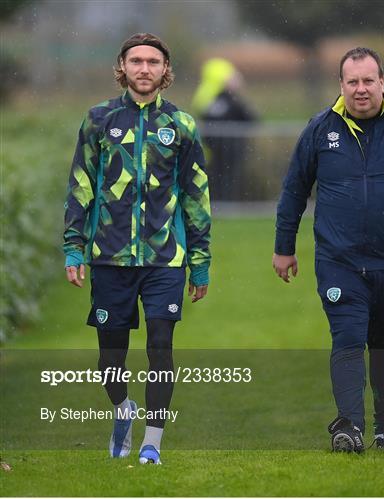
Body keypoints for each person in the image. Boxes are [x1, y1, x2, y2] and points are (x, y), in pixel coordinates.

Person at [272, 47, 384, 452]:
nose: (360, 89)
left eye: (368, 80)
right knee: (348, 339)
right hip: (340, 263)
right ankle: (349, 428)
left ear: (382, 82)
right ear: (341, 85)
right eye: (352, 82)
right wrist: (284, 247)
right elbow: (294, 191)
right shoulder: (321, 129)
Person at [63, 33, 211, 465]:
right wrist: (74, 248)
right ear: (122, 68)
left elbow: (195, 197)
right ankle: (122, 407)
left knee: (160, 347)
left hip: (165, 259)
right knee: (111, 357)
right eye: (136, 61)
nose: (144, 69)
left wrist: (200, 265)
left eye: (153, 62)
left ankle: (152, 442)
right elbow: (80, 185)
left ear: (166, 70)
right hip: (109, 258)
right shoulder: (97, 120)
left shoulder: (181, 126)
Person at [192, 58, 257, 200]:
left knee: (216, 177)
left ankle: (218, 203)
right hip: (228, 149)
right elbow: (251, 118)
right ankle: (225, 204)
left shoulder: (205, 98)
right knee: (226, 179)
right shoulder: (228, 100)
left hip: (212, 148)